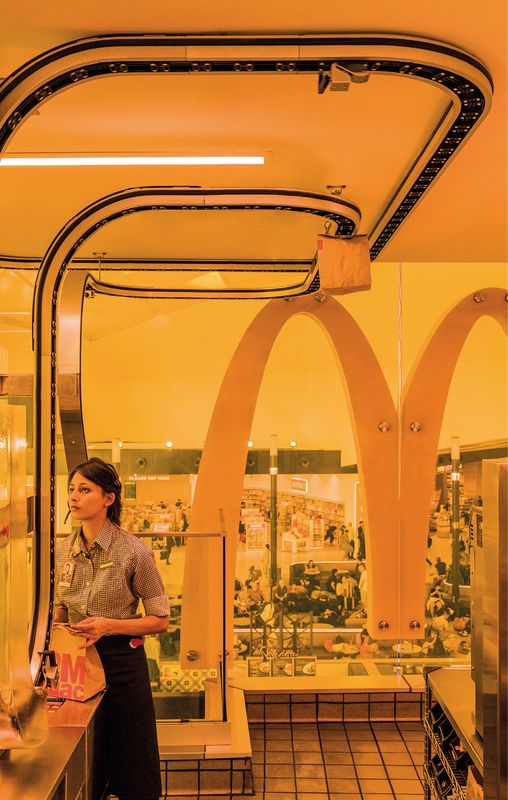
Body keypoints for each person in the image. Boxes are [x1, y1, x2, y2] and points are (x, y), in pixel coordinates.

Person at [54, 458, 169, 800]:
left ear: (108, 498)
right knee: (86, 753)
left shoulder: (134, 552)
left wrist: (109, 625)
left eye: (84, 489)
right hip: (75, 660)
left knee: (133, 757)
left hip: (121, 662)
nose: (74, 497)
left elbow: (160, 619)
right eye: (72, 489)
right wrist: (54, 626)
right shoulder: (62, 551)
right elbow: (60, 605)